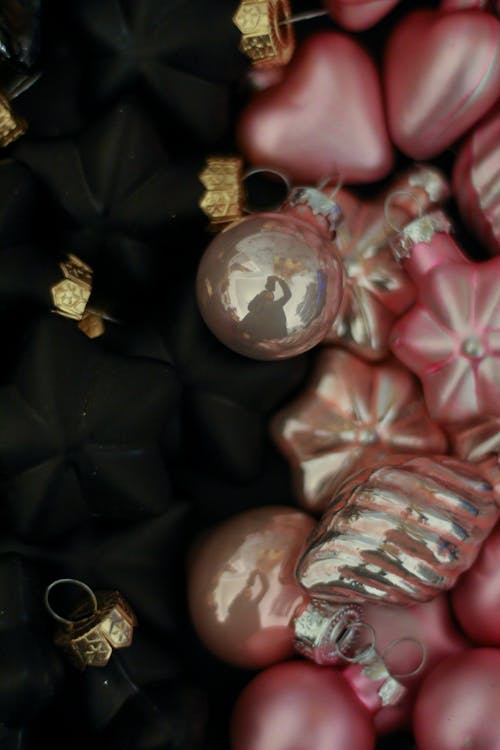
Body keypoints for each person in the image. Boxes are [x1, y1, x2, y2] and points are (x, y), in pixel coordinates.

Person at [240, 275, 292, 340]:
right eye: (266, 293)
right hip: (252, 332)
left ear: (273, 298)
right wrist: (259, 296)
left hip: (274, 335)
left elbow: (288, 295)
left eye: (272, 294)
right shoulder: (256, 306)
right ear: (262, 295)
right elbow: (250, 307)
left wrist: (280, 281)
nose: (270, 293)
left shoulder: (276, 304)